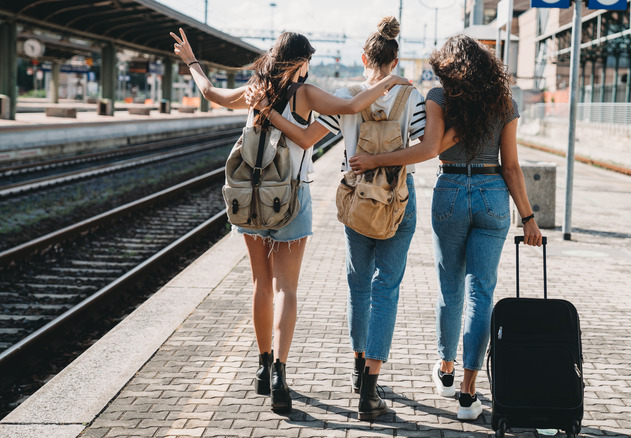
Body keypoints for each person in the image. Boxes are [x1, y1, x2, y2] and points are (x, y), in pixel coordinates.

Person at [170, 28, 410, 413]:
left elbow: (210, 93)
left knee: (260, 284)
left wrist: (192, 61)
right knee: (286, 290)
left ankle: (262, 368)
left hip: (249, 200)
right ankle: (281, 373)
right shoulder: (305, 93)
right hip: (291, 199)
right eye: (308, 62)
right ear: (300, 62)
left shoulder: (254, 90)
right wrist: (390, 82)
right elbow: (350, 107)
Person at [349, 34, 544, 421]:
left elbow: (430, 148)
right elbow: (511, 167)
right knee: (481, 294)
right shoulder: (504, 102)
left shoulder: (439, 97)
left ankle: (447, 370)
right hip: (493, 195)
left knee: (450, 289)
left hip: (451, 189)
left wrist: (376, 160)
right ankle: (469, 394)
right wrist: (528, 217)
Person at [249, 17, 427, 421]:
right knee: (388, 289)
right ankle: (369, 387)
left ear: (364, 57)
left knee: (358, 285)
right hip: (398, 199)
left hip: (355, 198)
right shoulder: (411, 96)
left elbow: (309, 133)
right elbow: (422, 146)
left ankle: (355, 364)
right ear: (396, 58)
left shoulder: (346, 95)